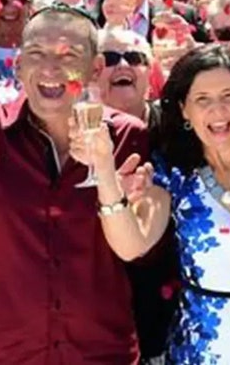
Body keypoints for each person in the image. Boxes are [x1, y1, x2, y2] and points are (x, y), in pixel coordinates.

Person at [74, 45, 230, 364]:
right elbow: (131, 245)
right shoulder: (172, 173)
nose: (218, 111)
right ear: (183, 110)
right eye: (202, 100)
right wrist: (105, 173)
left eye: (228, 97)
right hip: (198, 352)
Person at [0, 5, 149, 363]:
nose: (50, 68)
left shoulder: (130, 138)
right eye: (36, 54)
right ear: (18, 64)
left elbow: (145, 248)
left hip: (103, 356)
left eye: (69, 55)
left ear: (95, 69)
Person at [92, 27, 181, 364]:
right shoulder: (71, 132)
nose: (123, 65)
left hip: (170, 311)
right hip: (98, 311)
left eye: (134, 58)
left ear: (152, 70)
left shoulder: (179, 127)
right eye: (110, 59)